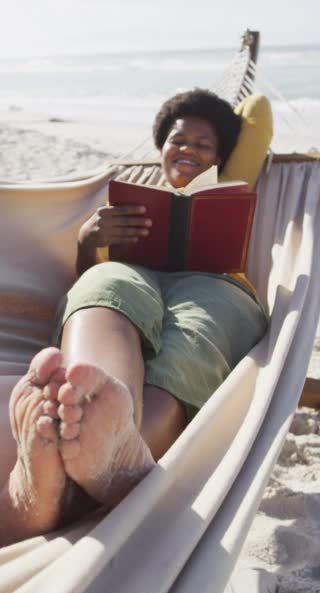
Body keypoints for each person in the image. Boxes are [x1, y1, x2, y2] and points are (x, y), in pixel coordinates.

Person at [0, 89, 268, 546]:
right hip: (133, 271)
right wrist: (88, 242)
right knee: (105, 289)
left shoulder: (234, 186)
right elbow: (88, 279)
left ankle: (99, 468)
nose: (188, 151)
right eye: (178, 140)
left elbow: (259, 112)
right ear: (159, 147)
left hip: (215, 283)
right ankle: (88, 429)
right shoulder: (130, 195)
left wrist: (232, 104)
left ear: (222, 155)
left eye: (205, 145)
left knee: (195, 337)